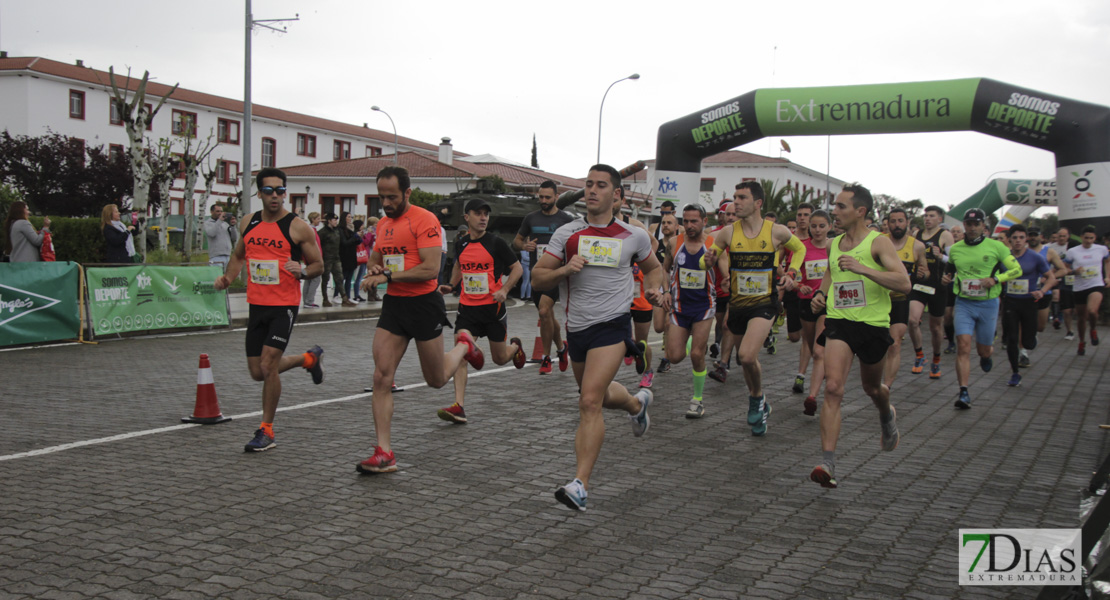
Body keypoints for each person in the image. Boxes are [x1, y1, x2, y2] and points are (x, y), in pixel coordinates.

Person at [532, 164, 661, 512]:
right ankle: (637, 405)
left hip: (614, 326)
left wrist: (654, 290)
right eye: (588, 184)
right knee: (599, 396)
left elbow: (654, 269)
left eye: (601, 185)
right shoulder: (568, 234)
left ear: (616, 195)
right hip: (578, 329)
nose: (591, 190)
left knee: (588, 402)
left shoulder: (632, 236)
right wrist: (564, 269)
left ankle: (580, 484)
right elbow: (538, 278)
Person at [356, 166, 485, 474]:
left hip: (424, 305)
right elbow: (376, 257)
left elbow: (430, 269)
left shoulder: (425, 220)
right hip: (394, 307)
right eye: (381, 197)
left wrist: (388, 274)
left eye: (392, 197)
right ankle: (384, 452)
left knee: (436, 379)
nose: (386, 203)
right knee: (381, 377)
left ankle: (464, 346)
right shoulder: (384, 224)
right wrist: (375, 269)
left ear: (407, 193)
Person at [213, 167, 326, 452]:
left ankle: (267, 430)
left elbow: (318, 266)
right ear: (259, 193)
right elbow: (239, 255)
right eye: (268, 191)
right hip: (257, 305)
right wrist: (228, 278)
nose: (275, 196)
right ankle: (308, 359)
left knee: (267, 364)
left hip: (283, 306)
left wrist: (301, 270)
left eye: (280, 190)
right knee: (257, 371)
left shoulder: (298, 226)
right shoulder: (248, 222)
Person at [808, 184, 910, 489]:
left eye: (841, 207)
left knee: (872, 388)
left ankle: (886, 413)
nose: (834, 212)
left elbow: (903, 283)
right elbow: (831, 272)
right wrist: (821, 295)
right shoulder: (833, 243)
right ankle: (828, 462)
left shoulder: (878, 243)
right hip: (840, 322)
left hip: (874, 325)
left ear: (860, 211)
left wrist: (864, 269)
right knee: (834, 388)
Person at [710, 181, 806, 436]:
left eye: (742, 197)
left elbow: (800, 249)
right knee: (747, 361)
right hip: (738, 304)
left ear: (758, 203)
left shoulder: (777, 231)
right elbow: (705, 260)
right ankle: (759, 398)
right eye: (734, 197)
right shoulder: (728, 233)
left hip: (765, 303)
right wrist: (705, 260)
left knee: (748, 356)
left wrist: (792, 272)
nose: (736, 202)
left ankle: (755, 401)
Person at [436, 198, 528, 423]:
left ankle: (515, 346)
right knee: (462, 354)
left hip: (493, 309)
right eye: (478, 213)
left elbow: (517, 268)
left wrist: (505, 289)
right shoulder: (462, 243)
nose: (483, 217)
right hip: (468, 309)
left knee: (499, 358)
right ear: (467, 217)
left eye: (486, 214)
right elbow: (459, 264)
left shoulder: (495, 243)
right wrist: (452, 284)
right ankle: (459, 406)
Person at [942, 208, 1021, 409]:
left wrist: (996, 279)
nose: (972, 228)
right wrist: (946, 278)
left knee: (983, 349)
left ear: (983, 226)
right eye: (968, 224)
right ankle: (964, 391)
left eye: (976, 224)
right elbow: (949, 269)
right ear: (964, 225)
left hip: (988, 304)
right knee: (963, 346)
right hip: (964, 303)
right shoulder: (957, 249)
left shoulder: (997, 246)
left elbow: (1016, 270)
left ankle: (986, 355)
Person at [660, 203, 717, 418]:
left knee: (696, 355)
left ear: (704, 222)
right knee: (674, 357)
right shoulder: (675, 243)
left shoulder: (713, 244)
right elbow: (664, 269)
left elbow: (725, 272)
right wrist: (665, 291)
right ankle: (693, 341)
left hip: (704, 307)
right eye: (686, 221)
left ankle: (697, 400)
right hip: (679, 306)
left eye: (694, 221)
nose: (690, 225)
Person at [514, 180, 573, 374]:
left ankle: (546, 358)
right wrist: (524, 246)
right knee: (546, 314)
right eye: (541, 197)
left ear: (557, 197)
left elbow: (576, 242)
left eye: (548, 197)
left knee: (544, 310)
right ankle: (562, 349)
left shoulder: (566, 219)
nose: (544, 200)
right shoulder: (531, 218)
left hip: (556, 273)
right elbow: (517, 240)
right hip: (537, 273)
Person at [1001, 224, 1055, 385]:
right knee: (1011, 338)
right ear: (1009, 239)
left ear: (1026, 240)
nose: (1018, 241)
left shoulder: (1035, 257)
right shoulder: (1004, 257)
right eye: (1015, 238)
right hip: (1010, 301)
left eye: (1021, 238)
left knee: (1028, 341)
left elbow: (1051, 278)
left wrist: (1042, 291)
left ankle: (1031, 341)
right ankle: (1015, 373)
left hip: (1029, 302)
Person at [882, 208, 928, 392]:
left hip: (901, 300)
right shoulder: (879, 241)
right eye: (893, 221)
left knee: (895, 343)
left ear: (907, 222)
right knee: (877, 345)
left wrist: (923, 274)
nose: (897, 225)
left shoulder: (917, 246)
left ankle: (887, 386)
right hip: (879, 300)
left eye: (900, 221)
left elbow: (925, 271)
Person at [907, 206, 954, 379]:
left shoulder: (945, 235)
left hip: (938, 286)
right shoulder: (916, 235)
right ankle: (919, 355)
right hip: (919, 284)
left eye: (931, 216)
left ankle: (936, 359)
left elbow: (954, 260)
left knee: (935, 328)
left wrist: (941, 256)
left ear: (940, 219)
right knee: (912, 321)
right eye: (926, 216)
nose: (927, 219)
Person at [797, 210, 831, 416]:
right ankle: (821, 373)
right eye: (814, 226)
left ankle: (812, 397)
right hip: (805, 303)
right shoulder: (801, 248)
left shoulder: (835, 247)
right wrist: (799, 285)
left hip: (827, 304)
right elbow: (791, 272)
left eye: (821, 226)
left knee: (819, 351)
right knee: (810, 345)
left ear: (829, 227)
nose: (817, 230)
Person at [1063, 225, 1110, 355]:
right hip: (1079, 287)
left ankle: (1093, 330)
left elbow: (1107, 261)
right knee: (1081, 318)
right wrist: (1073, 271)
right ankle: (1082, 342)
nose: (1088, 241)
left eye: (1091, 238)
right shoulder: (1073, 251)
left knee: (1092, 311)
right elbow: (1064, 268)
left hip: (1096, 284)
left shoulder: (1102, 249)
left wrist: (1108, 277)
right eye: (1086, 238)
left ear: (1095, 238)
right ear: (1081, 237)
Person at [787, 203, 814, 392]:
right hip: (793, 292)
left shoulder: (819, 241)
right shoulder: (789, 240)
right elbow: (778, 262)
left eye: (806, 214)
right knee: (794, 336)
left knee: (807, 337)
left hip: (814, 296)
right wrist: (788, 278)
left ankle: (801, 375)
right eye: (799, 214)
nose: (802, 218)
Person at [318, 212, 356, 307]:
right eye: (334, 220)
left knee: (340, 278)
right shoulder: (322, 232)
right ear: (329, 221)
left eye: (336, 220)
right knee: (325, 279)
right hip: (326, 259)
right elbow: (317, 245)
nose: (336, 222)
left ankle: (344, 299)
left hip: (336, 258)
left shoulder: (337, 231)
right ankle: (325, 299)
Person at [943, 224, 965, 354]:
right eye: (953, 231)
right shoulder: (948, 248)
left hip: (964, 286)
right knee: (947, 316)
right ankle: (951, 342)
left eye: (958, 232)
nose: (955, 234)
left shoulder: (967, 248)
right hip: (950, 285)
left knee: (958, 315)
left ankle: (961, 341)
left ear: (963, 234)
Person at [204, 203, 238, 270]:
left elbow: (234, 238)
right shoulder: (207, 223)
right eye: (217, 211)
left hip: (227, 255)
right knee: (217, 277)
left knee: (226, 278)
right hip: (216, 257)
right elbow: (212, 233)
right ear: (211, 212)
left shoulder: (225, 224)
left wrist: (232, 226)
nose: (220, 213)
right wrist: (220, 220)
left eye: (221, 211)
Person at [301, 212, 323, 308]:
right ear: (313, 219)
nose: (319, 220)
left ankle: (306, 300)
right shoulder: (311, 231)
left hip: (310, 258)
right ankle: (309, 301)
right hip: (313, 259)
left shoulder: (311, 230)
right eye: (318, 218)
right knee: (315, 280)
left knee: (308, 280)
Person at [339, 212, 362, 302]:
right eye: (348, 217)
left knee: (349, 278)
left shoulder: (351, 228)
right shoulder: (341, 229)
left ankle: (348, 296)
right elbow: (345, 243)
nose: (350, 219)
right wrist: (354, 237)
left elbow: (354, 242)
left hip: (352, 255)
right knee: (343, 277)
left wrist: (358, 237)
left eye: (351, 217)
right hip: (344, 256)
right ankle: (339, 295)